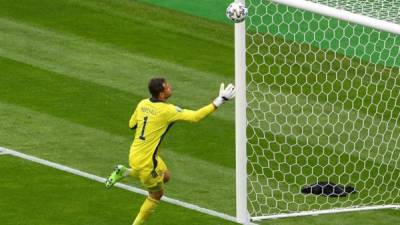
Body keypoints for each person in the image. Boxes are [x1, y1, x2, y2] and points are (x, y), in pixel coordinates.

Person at [105, 78, 235, 225]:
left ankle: (125, 172)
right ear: (161, 94)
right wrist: (220, 100)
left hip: (135, 154)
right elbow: (195, 117)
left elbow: (132, 125)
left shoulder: (142, 103)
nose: (170, 87)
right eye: (167, 87)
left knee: (166, 177)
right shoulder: (168, 110)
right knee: (157, 194)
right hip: (148, 163)